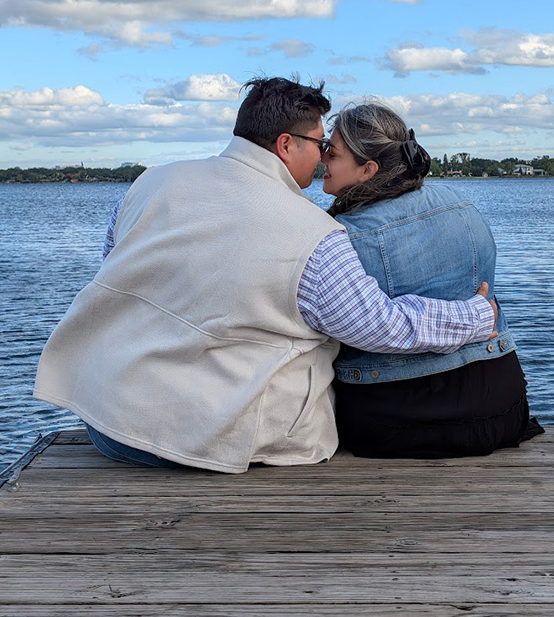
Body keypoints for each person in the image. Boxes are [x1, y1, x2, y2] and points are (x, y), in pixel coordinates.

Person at [34, 78, 496, 474]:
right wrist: (475, 317)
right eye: (320, 145)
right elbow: (380, 327)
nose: (321, 160)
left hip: (108, 424)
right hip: (204, 443)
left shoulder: (151, 182)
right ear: (285, 145)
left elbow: (115, 260)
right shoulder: (315, 233)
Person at [322, 102, 543, 458]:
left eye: (331, 153)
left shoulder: (343, 236)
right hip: (502, 408)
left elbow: (373, 326)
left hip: (398, 419)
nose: (323, 162)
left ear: (368, 169)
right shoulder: (461, 203)